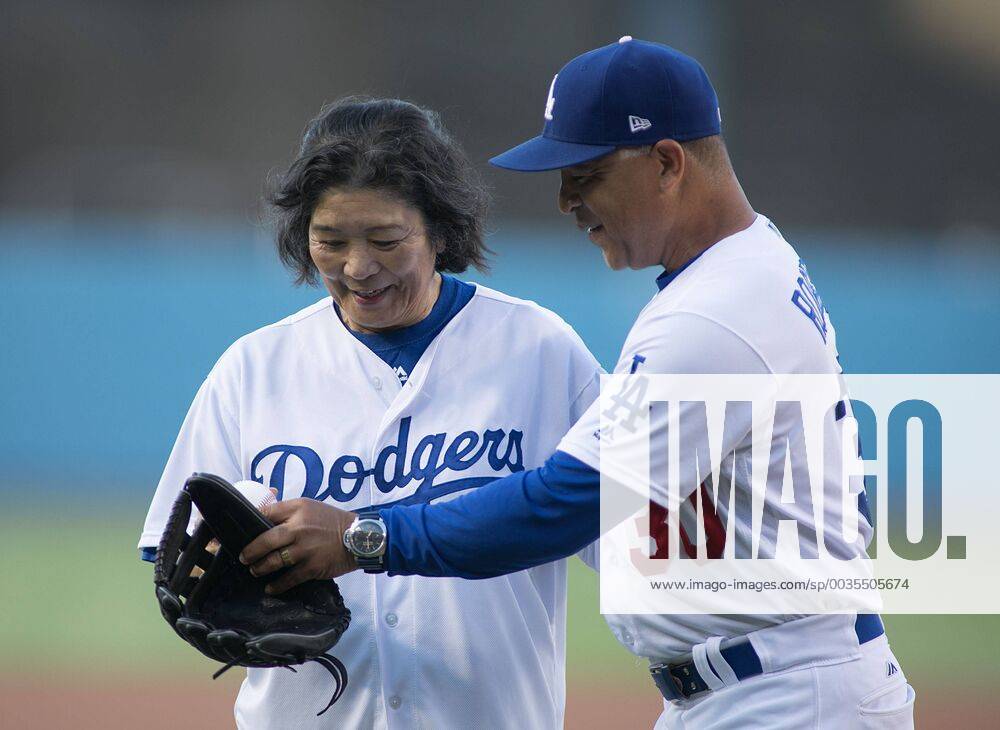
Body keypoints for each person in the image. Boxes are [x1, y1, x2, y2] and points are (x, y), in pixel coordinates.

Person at [241, 40, 916, 728]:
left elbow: (570, 502)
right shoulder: (750, 264)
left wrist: (366, 538)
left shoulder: (711, 315)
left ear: (665, 163)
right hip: (767, 680)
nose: (566, 199)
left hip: (787, 695)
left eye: (585, 174)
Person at [137, 97, 602, 728]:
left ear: (440, 229)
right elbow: (180, 550)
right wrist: (234, 568)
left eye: (385, 240)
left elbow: (631, 532)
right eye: (329, 241)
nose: (358, 267)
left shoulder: (540, 350)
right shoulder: (253, 368)